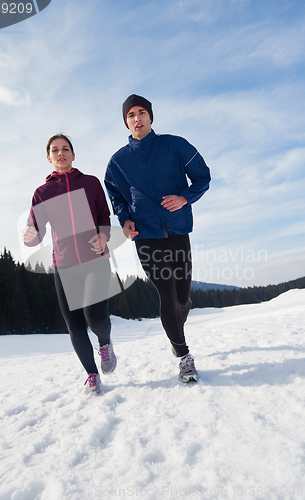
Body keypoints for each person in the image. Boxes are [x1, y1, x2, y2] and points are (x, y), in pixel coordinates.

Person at [105, 95, 210, 383]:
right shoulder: (118, 162)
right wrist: (124, 218)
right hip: (146, 235)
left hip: (177, 229)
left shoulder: (175, 145)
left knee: (182, 297)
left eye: (141, 113)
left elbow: (203, 177)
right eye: (131, 115)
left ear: (151, 117)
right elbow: (115, 193)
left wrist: (184, 198)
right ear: (126, 122)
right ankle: (184, 357)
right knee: (166, 294)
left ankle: (179, 319)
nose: (137, 119)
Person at [23, 134, 116, 395]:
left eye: (65, 149)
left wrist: (103, 235)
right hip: (64, 266)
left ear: (73, 155)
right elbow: (37, 231)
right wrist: (30, 236)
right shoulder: (42, 193)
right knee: (74, 326)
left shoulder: (90, 183)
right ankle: (92, 375)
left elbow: (103, 216)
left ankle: (105, 343)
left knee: (95, 317)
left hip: (95, 260)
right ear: (49, 157)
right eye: (55, 150)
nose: (60, 153)